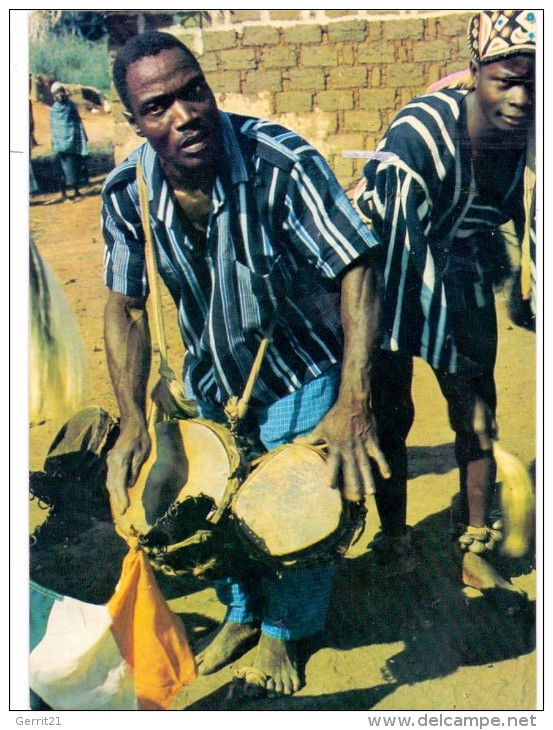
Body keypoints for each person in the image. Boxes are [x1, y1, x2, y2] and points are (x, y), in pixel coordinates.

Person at [101, 30, 388, 699]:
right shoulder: (125, 194)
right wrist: (132, 421)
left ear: (206, 85)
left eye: (192, 90)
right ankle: (240, 613)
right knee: (205, 510)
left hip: (301, 368)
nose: (183, 114)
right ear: (135, 121)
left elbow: (356, 267)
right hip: (207, 381)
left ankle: (284, 634)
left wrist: (352, 400)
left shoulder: (279, 161)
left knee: (298, 513)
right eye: (158, 106)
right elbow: (125, 308)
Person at [352, 10, 536, 588]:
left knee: (480, 417)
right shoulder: (421, 134)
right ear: (475, 72)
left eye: (536, 81)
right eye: (507, 80)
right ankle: (396, 535)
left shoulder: (534, 142)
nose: (522, 97)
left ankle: (474, 544)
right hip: (382, 273)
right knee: (392, 414)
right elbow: (403, 262)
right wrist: (455, 369)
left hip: (460, 266)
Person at [49, 82, 89, 203]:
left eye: (61, 91)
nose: (59, 94)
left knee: (75, 166)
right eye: (57, 92)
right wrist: (56, 142)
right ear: (53, 95)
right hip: (60, 144)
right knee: (62, 169)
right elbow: (54, 128)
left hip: (73, 141)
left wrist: (80, 137)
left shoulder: (71, 106)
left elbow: (77, 122)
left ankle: (76, 192)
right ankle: (64, 194)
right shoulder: (53, 110)